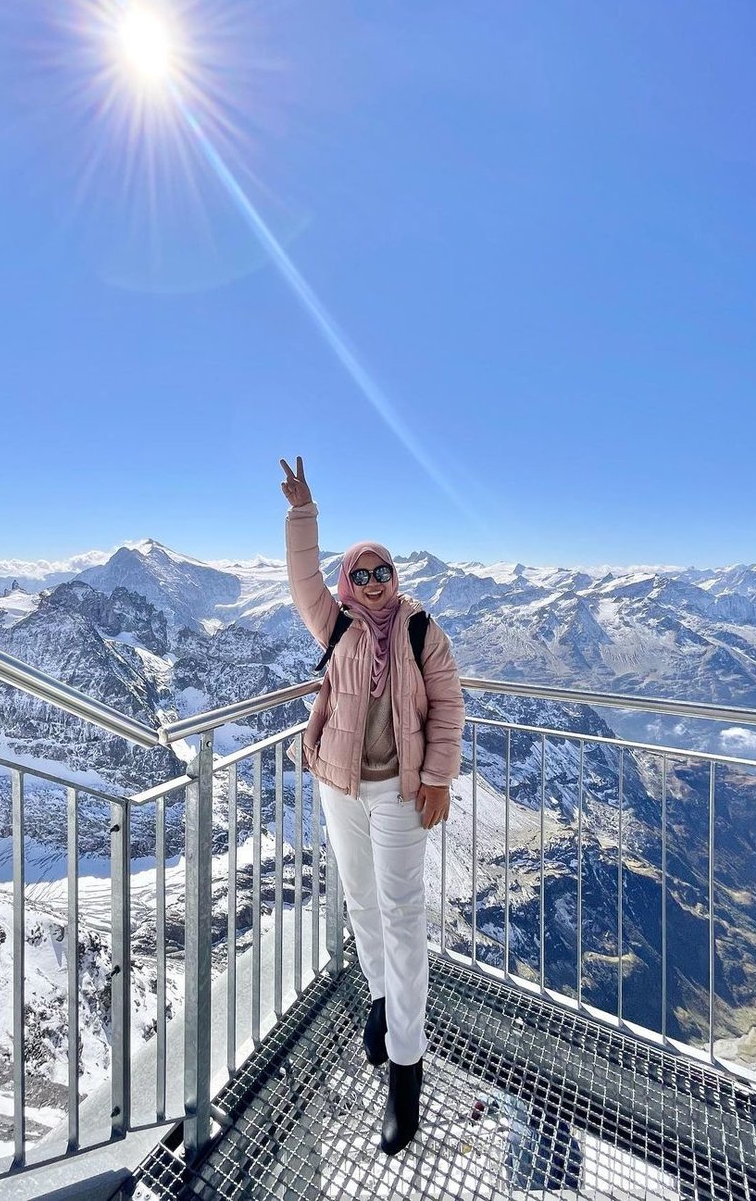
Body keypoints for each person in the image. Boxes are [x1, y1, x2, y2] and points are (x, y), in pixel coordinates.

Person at [280, 455, 465, 1155]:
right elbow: (301, 579)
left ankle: (406, 1075)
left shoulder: (421, 630)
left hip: (399, 792)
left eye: (381, 570)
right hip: (339, 784)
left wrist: (439, 777)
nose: (372, 582)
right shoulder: (334, 626)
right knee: (359, 901)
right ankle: (381, 1000)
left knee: (404, 915)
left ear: (397, 576)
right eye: (359, 573)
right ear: (345, 583)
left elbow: (448, 705)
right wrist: (304, 515)